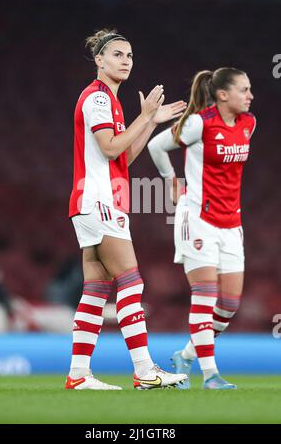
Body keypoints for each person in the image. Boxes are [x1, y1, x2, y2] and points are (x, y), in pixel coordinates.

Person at [65, 28, 188, 390]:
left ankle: (78, 375)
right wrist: (145, 114)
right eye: (117, 54)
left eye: (130, 55)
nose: (126, 61)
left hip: (95, 201)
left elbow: (123, 157)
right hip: (99, 201)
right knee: (131, 282)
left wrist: (149, 121)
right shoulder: (98, 99)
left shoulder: (111, 103)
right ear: (99, 60)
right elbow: (107, 148)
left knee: (96, 289)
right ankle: (145, 370)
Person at [148, 68, 256, 389]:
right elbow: (156, 146)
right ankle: (211, 375)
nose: (250, 96)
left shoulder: (249, 124)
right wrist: (172, 181)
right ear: (223, 95)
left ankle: (186, 356)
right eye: (244, 89)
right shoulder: (200, 123)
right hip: (197, 218)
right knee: (205, 296)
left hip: (231, 222)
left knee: (229, 304)